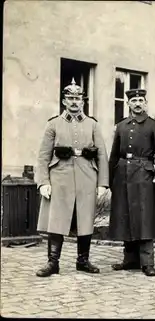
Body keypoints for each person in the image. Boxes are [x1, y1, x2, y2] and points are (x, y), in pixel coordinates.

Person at [35, 78, 109, 277]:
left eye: (78, 98)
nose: (75, 102)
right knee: (57, 219)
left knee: (85, 218)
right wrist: (43, 181)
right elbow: (43, 155)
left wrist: (103, 182)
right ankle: (53, 262)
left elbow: (102, 153)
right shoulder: (53, 124)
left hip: (87, 175)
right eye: (70, 98)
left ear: (83, 101)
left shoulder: (92, 124)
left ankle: (83, 260)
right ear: (64, 101)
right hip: (60, 175)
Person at [108, 88, 155, 277]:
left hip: (144, 175)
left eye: (141, 100)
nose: (137, 103)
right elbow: (114, 154)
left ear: (145, 103)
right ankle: (129, 260)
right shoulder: (122, 126)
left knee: (145, 218)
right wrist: (109, 179)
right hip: (123, 175)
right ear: (128, 104)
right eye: (133, 100)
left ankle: (147, 262)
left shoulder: (153, 125)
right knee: (125, 216)